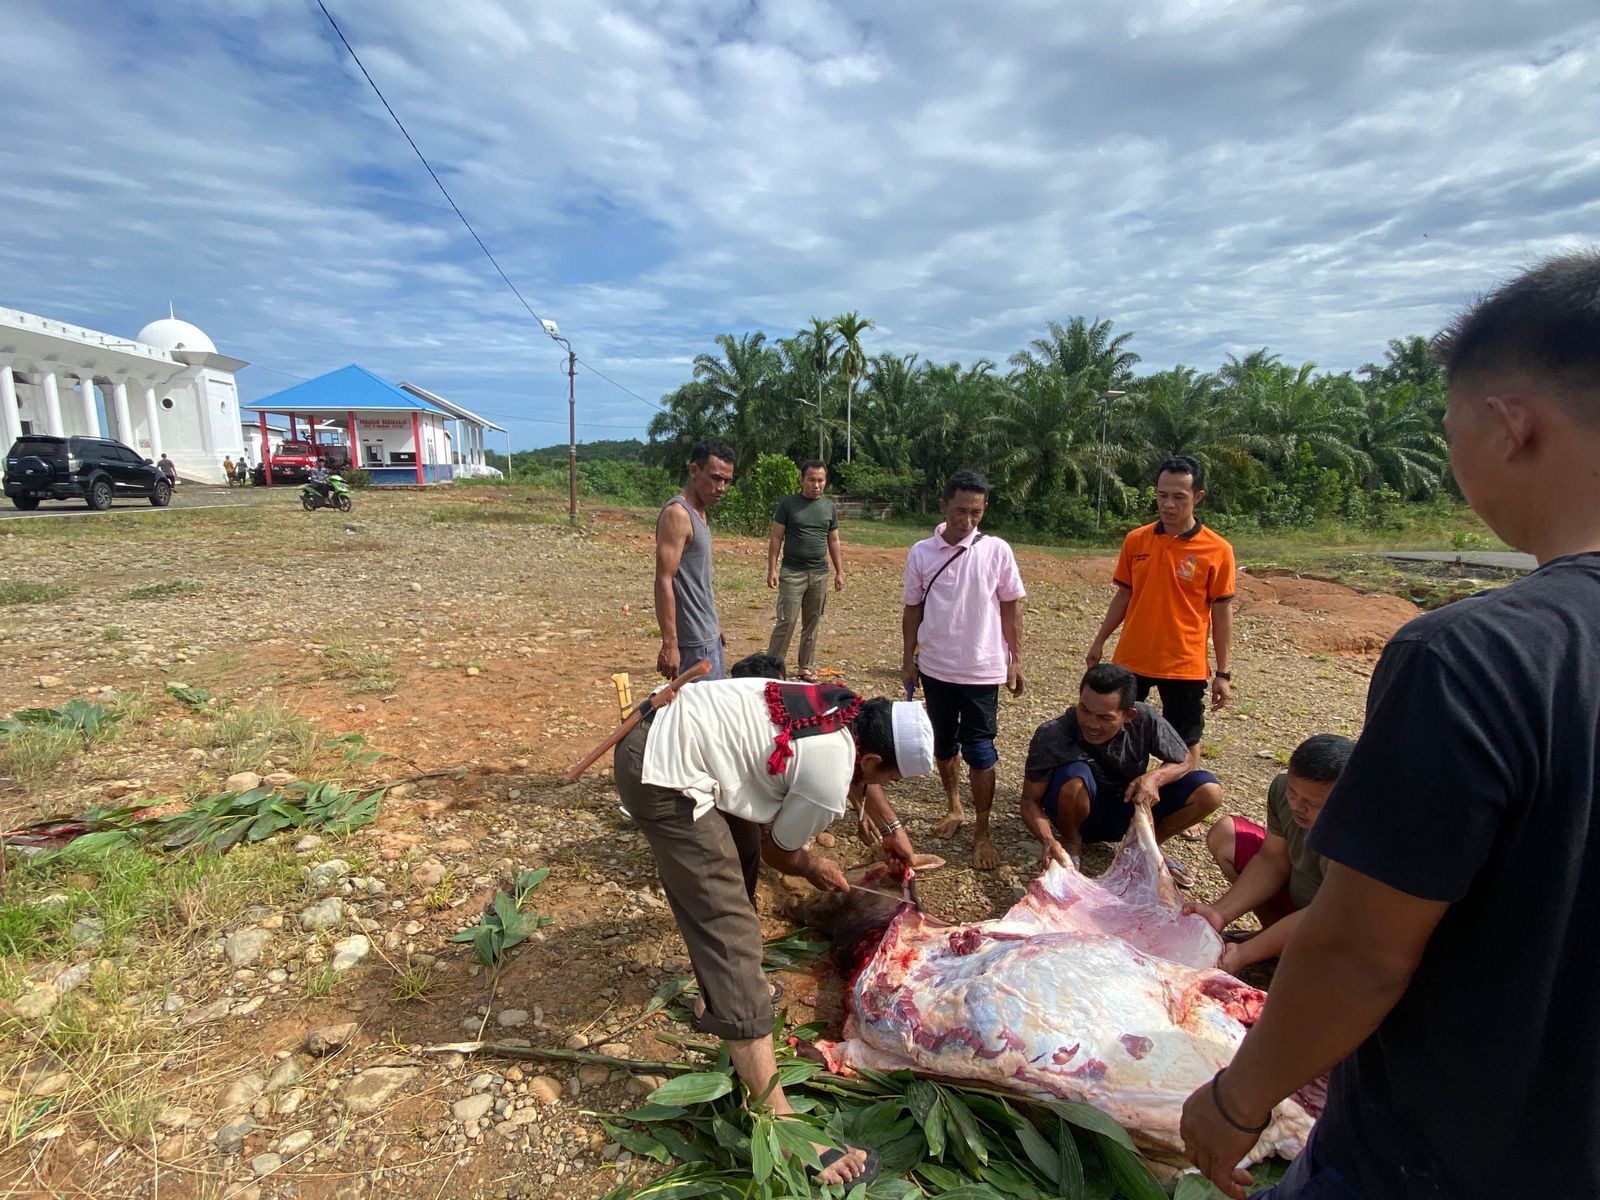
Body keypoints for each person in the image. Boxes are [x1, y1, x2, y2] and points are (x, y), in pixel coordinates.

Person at [1180, 252, 1600, 1200]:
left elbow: (1363, 950)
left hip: (1445, 1156)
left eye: (1451, 429)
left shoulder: (1475, 655)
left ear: (1509, 425)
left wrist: (1241, 1100)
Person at [615, 675, 936, 1190]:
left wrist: (891, 828)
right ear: (872, 762)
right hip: (660, 770)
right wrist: (813, 865)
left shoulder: (841, 705)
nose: (879, 790)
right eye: (887, 781)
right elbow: (780, 853)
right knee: (728, 923)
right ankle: (778, 1115)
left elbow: (856, 782)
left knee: (736, 849)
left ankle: (718, 997)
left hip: (672, 732)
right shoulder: (830, 776)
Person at [1086, 455, 1235, 806]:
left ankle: (1175, 801)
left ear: (1198, 497)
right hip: (1132, 658)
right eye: (1162, 495)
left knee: (1184, 742)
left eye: (1179, 497)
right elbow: (1124, 595)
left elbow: (1222, 612)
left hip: (1183, 664)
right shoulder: (1137, 540)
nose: (1168, 504)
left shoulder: (1218, 550)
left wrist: (1224, 672)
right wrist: (1099, 641)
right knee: (1116, 728)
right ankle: (1114, 795)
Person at [901, 469, 1025, 869]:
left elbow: (1010, 606)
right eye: (959, 511)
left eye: (976, 512)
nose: (967, 521)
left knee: (981, 750)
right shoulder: (921, 552)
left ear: (984, 509)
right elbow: (912, 609)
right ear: (943, 507)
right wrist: (908, 660)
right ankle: (954, 806)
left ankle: (983, 831)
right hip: (935, 667)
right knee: (942, 743)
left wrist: (1016, 659)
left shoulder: (997, 551)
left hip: (983, 670)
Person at [1020, 663, 1223, 881]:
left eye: (1105, 718)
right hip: (1083, 811)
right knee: (1073, 776)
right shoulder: (1053, 733)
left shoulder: (1145, 719)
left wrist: (1154, 777)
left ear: (1129, 714)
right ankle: (1071, 842)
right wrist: (1049, 840)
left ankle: (1148, 846)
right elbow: (1030, 799)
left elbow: (1185, 759)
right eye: (1085, 711)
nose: (1091, 723)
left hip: (1131, 808)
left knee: (1209, 790)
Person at [1185, 734, 1353, 974]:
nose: (1297, 806)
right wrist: (1219, 913)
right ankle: (1278, 942)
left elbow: (1330, 911)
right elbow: (1272, 859)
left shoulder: (1357, 833)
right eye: (1293, 793)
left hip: (1340, 925)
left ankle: (1292, 951)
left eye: (1313, 804)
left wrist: (1245, 953)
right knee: (1226, 834)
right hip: (1302, 900)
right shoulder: (1282, 788)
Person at [655, 440, 735, 681]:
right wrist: (670, 644)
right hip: (692, 643)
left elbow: (697, 579)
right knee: (701, 717)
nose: (721, 488)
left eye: (727, 481)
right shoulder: (678, 514)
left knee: (714, 712)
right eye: (716, 478)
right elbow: (664, 580)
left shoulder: (700, 512)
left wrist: (713, 623)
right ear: (693, 471)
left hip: (707, 634)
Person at [765, 459, 844, 682]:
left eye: (820, 480)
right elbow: (776, 537)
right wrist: (771, 569)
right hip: (792, 572)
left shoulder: (828, 507)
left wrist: (840, 571)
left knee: (812, 621)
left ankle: (805, 667)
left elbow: (834, 540)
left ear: (825, 481)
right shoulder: (788, 504)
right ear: (802, 480)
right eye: (811, 479)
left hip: (819, 574)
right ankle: (773, 665)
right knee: (787, 620)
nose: (816, 484)